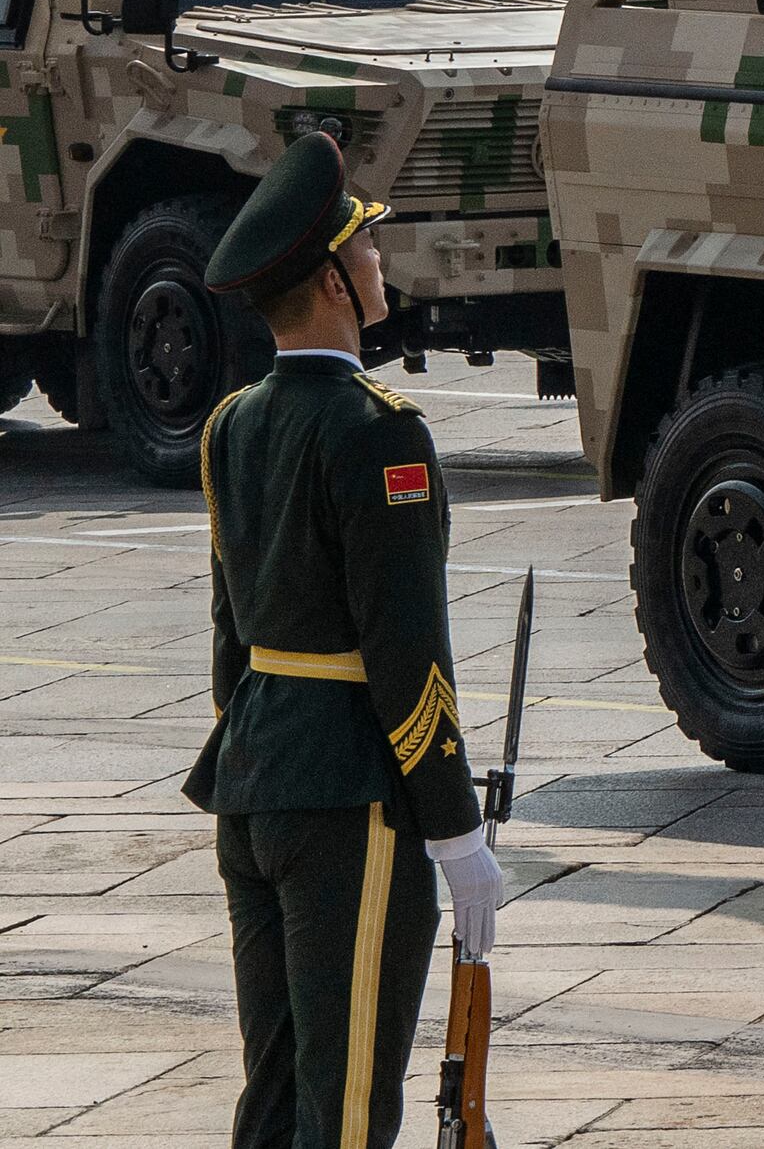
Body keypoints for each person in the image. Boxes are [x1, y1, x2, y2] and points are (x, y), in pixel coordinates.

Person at [188, 132, 499, 1149]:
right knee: (351, 1103)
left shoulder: (233, 424)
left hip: (253, 783)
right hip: (348, 798)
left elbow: (232, 640)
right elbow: (407, 650)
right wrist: (456, 831)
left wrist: (260, 752)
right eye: (364, 243)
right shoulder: (378, 432)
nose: (378, 257)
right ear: (332, 282)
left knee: (275, 1098)